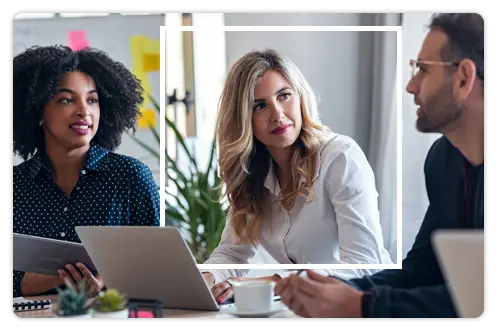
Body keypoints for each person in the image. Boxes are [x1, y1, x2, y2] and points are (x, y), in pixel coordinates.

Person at [275, 13, 484, 318]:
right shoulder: (444, 161)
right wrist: (336, 288)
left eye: (423, 70)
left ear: (464, 78)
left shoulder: (340, 156)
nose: (411, 86)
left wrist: (364, 306)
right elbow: (421, 272)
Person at [200, 49, 393, 304]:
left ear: (300, 96)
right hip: (304, 307)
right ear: (244, 119)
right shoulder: (253, 174)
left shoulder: (340, 158)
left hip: (366, 303)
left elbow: (364, 264)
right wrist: (208, 278)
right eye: (259, 105)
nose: (277, 113)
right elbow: (232, 254)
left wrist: (274, 282)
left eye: (284, 96)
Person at [12, 45, 161, 298]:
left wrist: (105, 280)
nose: (84, 111)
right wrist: (38, 280)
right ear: (37, 111)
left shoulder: (131, 177)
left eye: (92, 100)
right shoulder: (13, 186)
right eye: (66, 99)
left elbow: (159, 267)